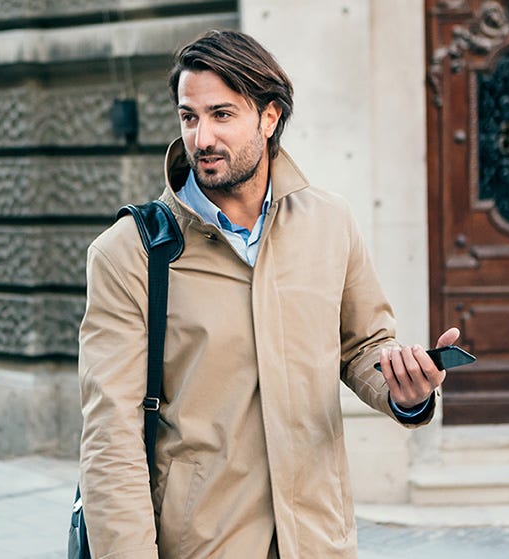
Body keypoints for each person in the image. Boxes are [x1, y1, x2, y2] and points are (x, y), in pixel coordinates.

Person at [78, 29, 460, 558]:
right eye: (190, 116)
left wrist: (405, 393)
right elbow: (110, 438)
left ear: (270, 116)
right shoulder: (130, 252)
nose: (202, 137)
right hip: (204, 545)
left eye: (222, 114)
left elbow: (364, 346)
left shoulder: (330, 222)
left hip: (317, 541)